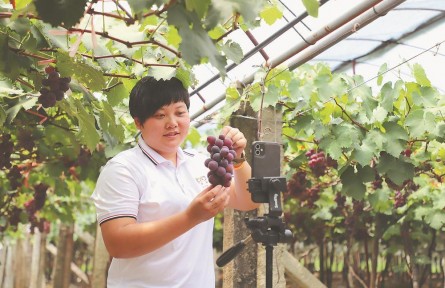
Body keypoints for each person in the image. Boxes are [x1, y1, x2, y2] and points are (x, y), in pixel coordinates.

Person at [91, 76, 259, 287]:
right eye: (160, 115)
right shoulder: (123, 169)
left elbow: (248, 200)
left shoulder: (199, 163)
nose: (172, 123)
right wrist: (190, 217)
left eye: (180, 113)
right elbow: (118, 243)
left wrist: (239, 160)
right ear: (138, 122)